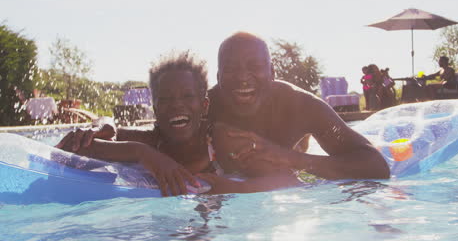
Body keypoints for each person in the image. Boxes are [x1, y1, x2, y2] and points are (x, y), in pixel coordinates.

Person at [58, 32, 390, 193]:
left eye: (254, 67)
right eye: (230, 69)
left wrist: (292, 158)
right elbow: (140, 134)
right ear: (217, 78)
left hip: (286, 163)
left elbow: (375, 166)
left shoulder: (300, 107)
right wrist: (107, 128)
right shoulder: (200, 107)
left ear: (272, 71)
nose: (243, 78)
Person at [63, 51, 299, 196]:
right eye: (165, 99)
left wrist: (234, 188)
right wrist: (142, 153)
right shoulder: (149, 141)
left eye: (187, 97)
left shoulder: (221, 141)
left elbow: (289, 179)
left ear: (204, 106)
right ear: (155, 109)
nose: (177, 106)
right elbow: (71, 147)